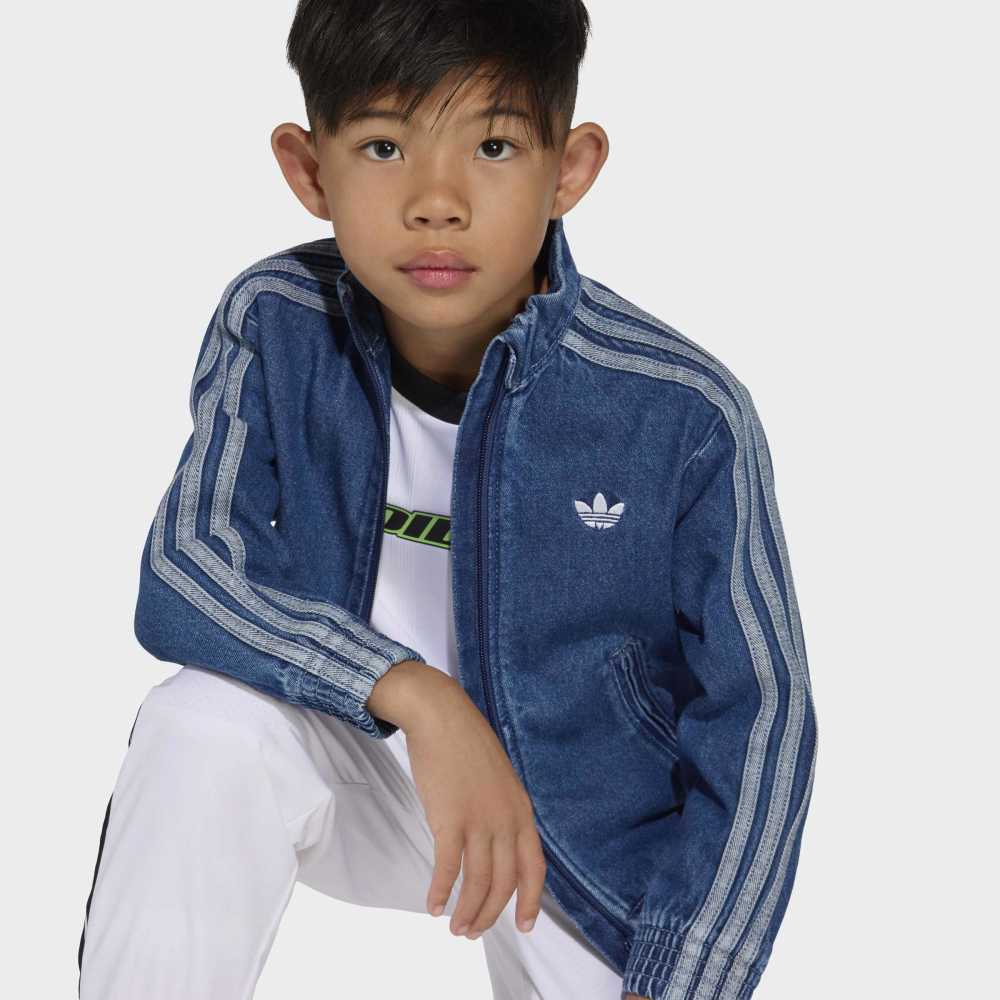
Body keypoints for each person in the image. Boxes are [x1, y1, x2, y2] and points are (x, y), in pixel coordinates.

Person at [77, 2, 819, 998]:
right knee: (199, 724)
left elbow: (762, 717)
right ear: (309, 170)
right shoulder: (279, 321)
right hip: (370, 760)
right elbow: (187, 569)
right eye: (384, 147)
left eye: (494, 146)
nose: (437, 202)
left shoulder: (679, 410)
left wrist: (690, 973)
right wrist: (416, 694)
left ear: (569, 170)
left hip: (584, 836)